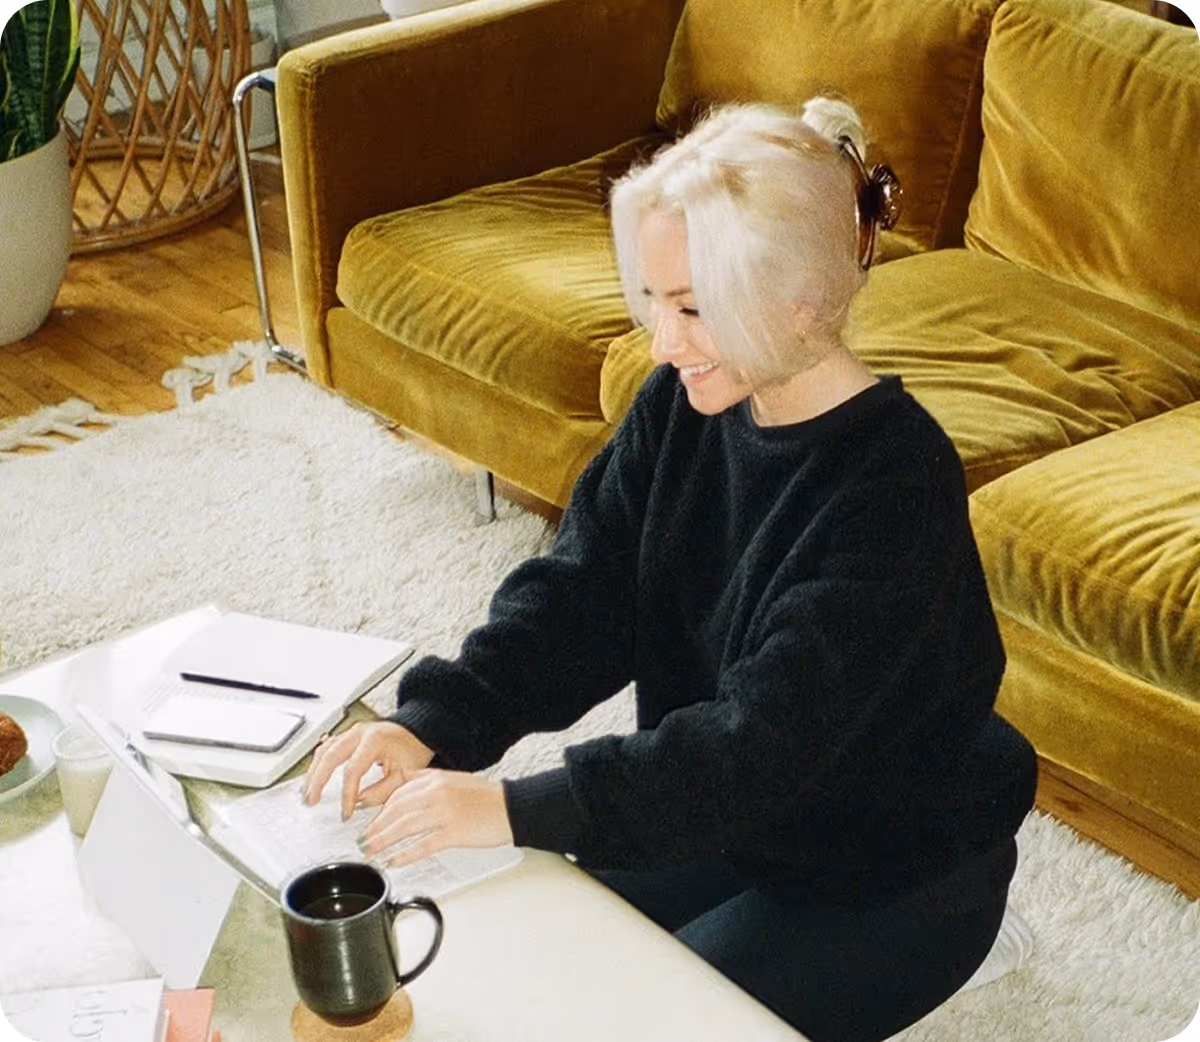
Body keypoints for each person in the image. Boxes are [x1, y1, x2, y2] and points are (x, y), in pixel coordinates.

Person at [304, 98, 1038, 1042]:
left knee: (632, 1025)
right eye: (653, 301)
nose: (661, 340)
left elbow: (756, 747)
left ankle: (965, 936)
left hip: (888, 865)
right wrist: (435, 722)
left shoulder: (893, 485)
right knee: (513, 970)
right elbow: (583, 595)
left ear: (800, 296)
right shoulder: (681, 405)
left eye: (692, 308)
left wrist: (511, 807)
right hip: (734, 815)